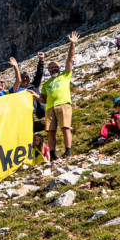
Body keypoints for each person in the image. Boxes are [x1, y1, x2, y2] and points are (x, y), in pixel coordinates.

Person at [33, 32, 78, 160]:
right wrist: (36, 95)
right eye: (51, 67)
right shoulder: (46, 84)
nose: (53, 69)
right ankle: (52, 154)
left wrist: (72, 44)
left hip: (64, 105)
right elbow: (43, 99)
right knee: (51, 132)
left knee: (65, 128)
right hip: (49, 108)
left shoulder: (65, 75)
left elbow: (70, 59)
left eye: (55, 67)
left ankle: (67, 152)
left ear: (59, 68)